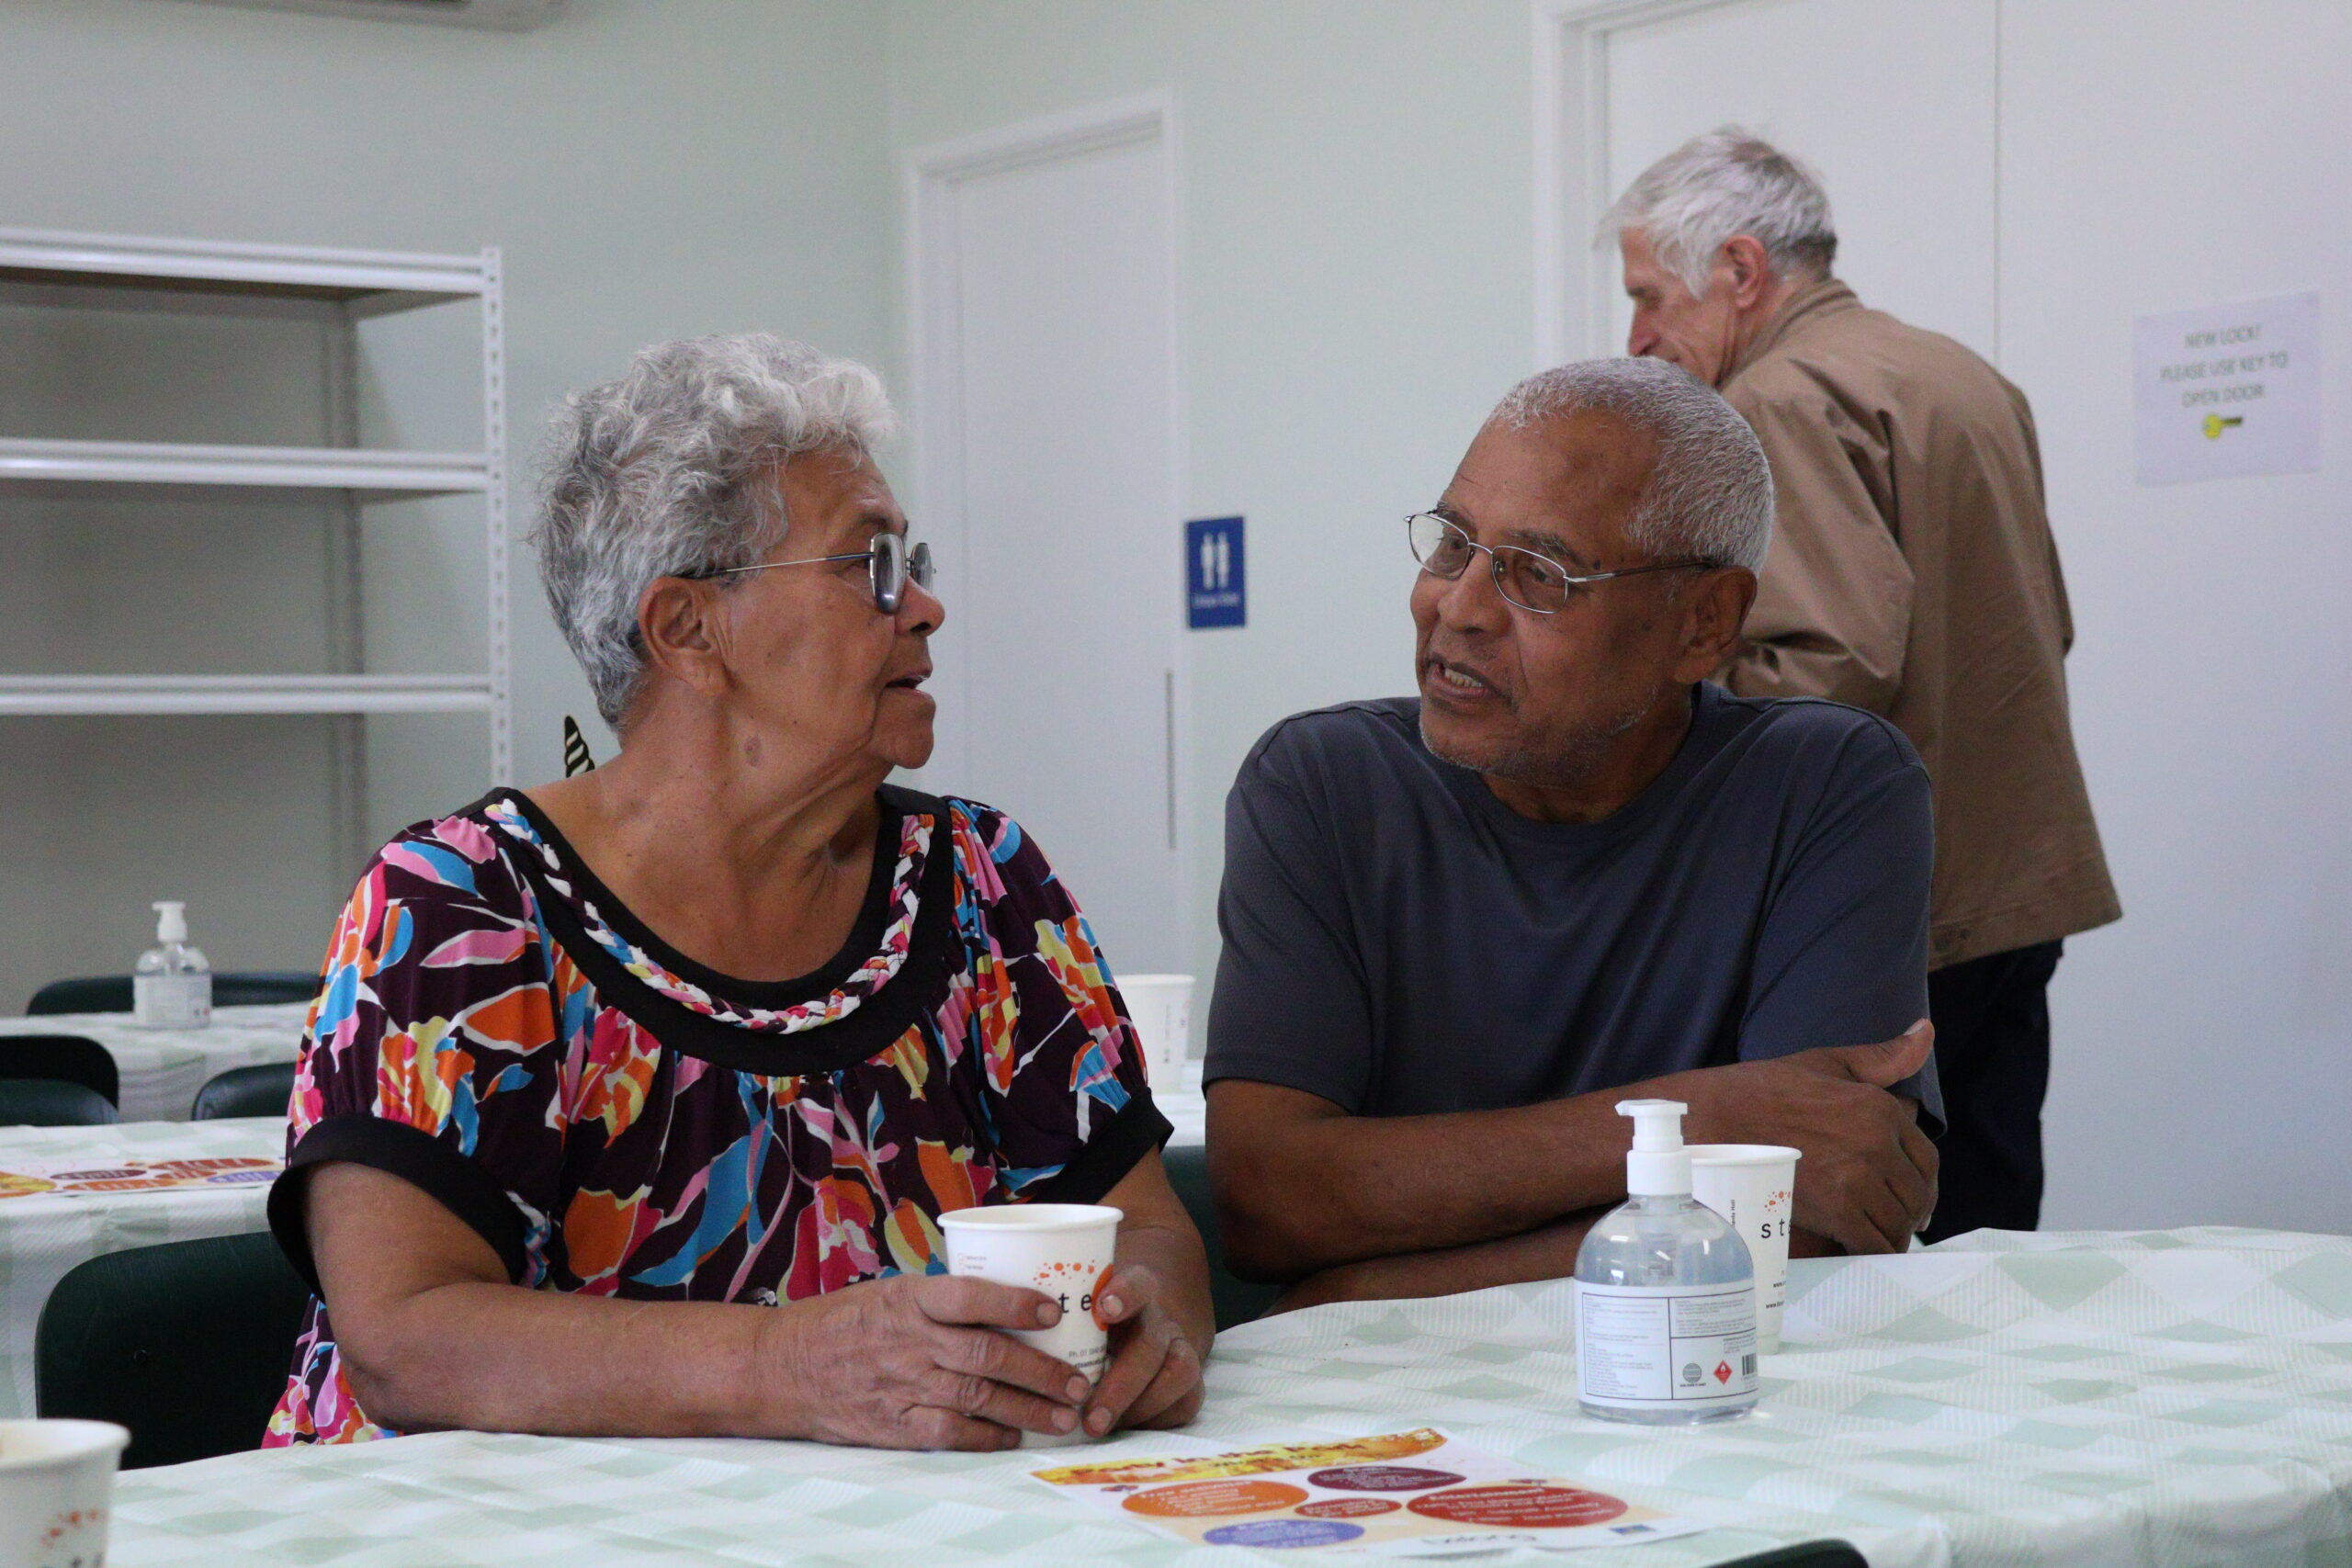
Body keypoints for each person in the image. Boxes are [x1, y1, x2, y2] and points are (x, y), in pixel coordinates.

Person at [265, 334, 1211, 1450]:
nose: (924, 610)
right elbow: (407, 1337)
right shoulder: (461, 908)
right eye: (871, 568)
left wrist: (1146, 1326)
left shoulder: (985, 885)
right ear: (689, 631)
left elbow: (1144, 1224)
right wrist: (791, 1366)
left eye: (915, 565)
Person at [1205, 357, 1940, 1310]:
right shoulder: (1324, 786)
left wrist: (1369, 1283)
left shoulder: (1824, 786)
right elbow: (1268, 1200)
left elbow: (1809, 1218)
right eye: (1450, 544)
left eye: (1536, 575)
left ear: (1704, 623)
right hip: (1404, 1412)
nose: (1455, 609)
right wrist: (1704, 1122)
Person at [1605, 129, 2120, 1239]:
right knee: (1987, 1219)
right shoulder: (1960, 374)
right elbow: (2047, 625)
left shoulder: (1774, 401)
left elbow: (1829, 666)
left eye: (1650, 295)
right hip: (2014, 875)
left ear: (1740, 270)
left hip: (1894, 901)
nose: (1638, 336)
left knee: (1865, 1243)